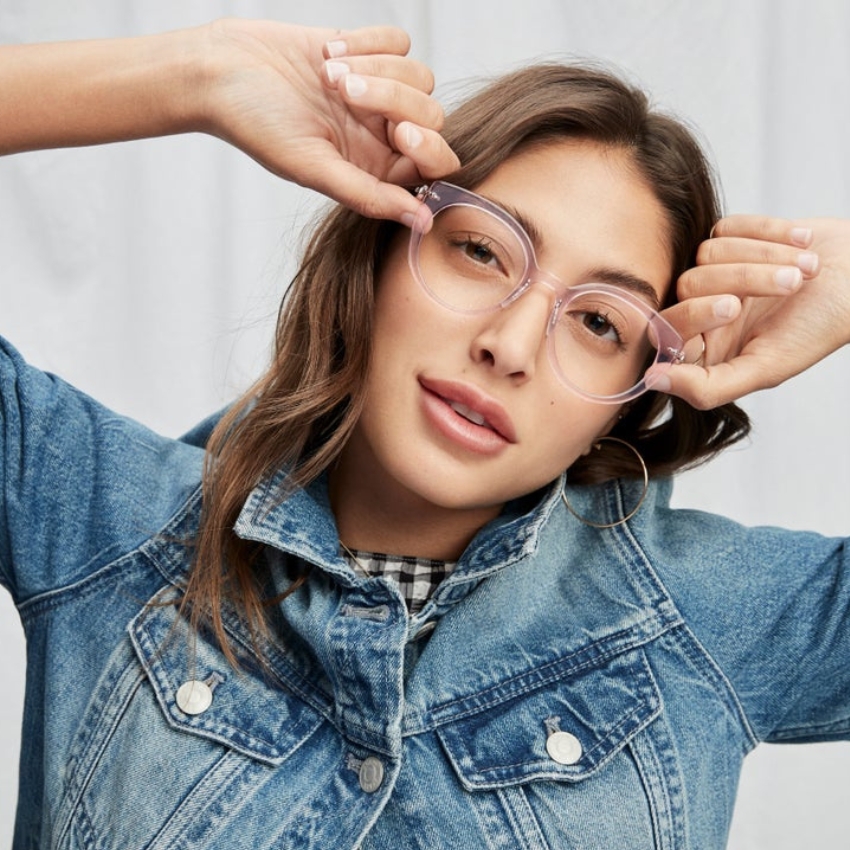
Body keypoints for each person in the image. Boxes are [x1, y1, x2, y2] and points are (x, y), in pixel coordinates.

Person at [1, 17, 848, 850]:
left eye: (598, 323)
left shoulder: (701, 615)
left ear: (627, 400)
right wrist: (192, 74)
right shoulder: (102, 521)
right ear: (378, 250)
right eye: (481, 251)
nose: (509, 346)